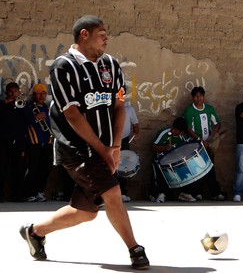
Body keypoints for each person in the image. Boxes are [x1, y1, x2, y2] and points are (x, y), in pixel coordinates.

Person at [19, 16, 149, 269]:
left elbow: (120, 106)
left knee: (86, 213)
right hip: (76, 149)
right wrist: (104, 150)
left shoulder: (110, 64)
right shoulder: (63, 67)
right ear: (84, 35)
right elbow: (71, 114)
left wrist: (116, 147)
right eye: (102, 33)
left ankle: (34, 232)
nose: (107, 38)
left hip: (104, 149)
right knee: (113, 193)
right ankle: (136, 250)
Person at [183, 86, 226, 201]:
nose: (199, 98)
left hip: (208, 144)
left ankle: (215, 193)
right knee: (196, 169)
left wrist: (214, 134)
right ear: (193, 98)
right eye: (196, 96)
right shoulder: (189, 111)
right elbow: (188, 128)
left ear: (204, 96)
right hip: (194, 145)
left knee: (210, 169)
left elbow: (217, 123)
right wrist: (200, 140)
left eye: (201, 96)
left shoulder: (209, 109)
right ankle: (196, 193)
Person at [150, 117, 197, 202]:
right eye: (174, 129)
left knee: (190, 167)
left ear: (182, 132)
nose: (174, 131)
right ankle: (161, 194)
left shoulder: (183, 137)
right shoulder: (164, 133)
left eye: (177, 130)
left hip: (177, 161)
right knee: (161, 172)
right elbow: (153, 147)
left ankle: (185, 193)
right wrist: (164, 148)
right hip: (161, 160)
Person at [23, 83, 54, 202]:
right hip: (33, 142)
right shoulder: (29, 107)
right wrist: (36, 118)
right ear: (34, 94)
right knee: (33, 168)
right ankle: (29, 193)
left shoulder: (47, 108)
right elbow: (24, 123)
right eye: (39, 93)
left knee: (45, 168)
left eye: (44, 93)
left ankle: (39, 191)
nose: (41, 96)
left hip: (46, 141)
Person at [0, 81, 28, 202]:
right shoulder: (2, 104)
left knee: (18, 169)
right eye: (10, 91)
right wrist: (6, 102)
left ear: (19, 92)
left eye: (15, 91)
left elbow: (29, 118)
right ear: (6, 93)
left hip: (19, 142)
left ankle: (17, 195)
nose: (13, 93)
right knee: (2, 168)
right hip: (4, 141)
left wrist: (20, 106)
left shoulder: (22, 105)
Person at [118, 101, 139, 202]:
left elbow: (136, 125)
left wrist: (135, 134)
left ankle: (122, 192)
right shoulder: (107, 106)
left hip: (124, 140)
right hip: (110, 140)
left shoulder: (129, 109)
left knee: (123, 168)